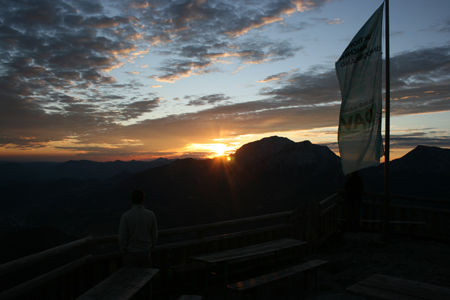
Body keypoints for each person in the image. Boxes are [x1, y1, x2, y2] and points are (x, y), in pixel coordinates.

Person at [119, 190, 158, 267]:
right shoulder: (151, 214)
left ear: (132, 200)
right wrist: (151, 247)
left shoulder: (126, 216)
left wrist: (123, 250)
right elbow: (154, 235)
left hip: (131, 254)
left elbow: (122, 237)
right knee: (146, 276)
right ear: (143, 199)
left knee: (132, 277)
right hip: (146, 253)